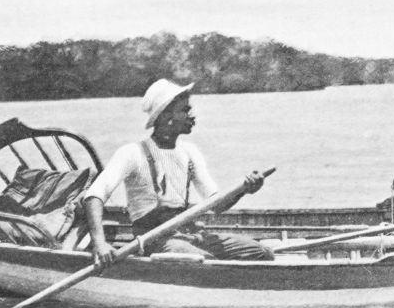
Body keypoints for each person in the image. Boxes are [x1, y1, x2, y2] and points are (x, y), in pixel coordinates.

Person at [83, 79, 273, 268]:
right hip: (154, 241)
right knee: (206, 263)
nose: (193, 115)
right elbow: (94, 195)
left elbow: (216, 205)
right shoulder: (132, 153)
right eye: (185, 110)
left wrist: (244, 190)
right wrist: (100, 243)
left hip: (191, 235)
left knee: (262, 253)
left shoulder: (190, 152)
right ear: (166, 116)